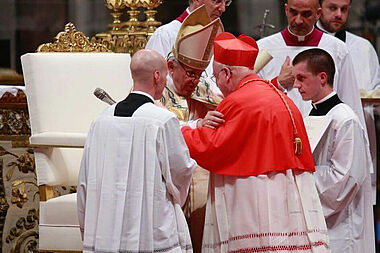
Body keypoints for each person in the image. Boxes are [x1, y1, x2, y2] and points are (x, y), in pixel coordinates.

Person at [181, 32, 330, 252]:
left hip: (252, 201)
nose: (218, 84)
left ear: (227, 73)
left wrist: (185, 129)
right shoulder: (281, 97)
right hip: (287, 207)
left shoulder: (237, 101)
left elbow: (212, 148)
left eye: (216, 78)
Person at [77, 49, 197, 253]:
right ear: (157, 76)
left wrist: (88, 228)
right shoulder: (162, 120)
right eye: (166, 76)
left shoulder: (100, 121)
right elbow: (181, 172)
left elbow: (85, 181)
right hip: (150, 228)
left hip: (105, 227)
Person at [292, 48, 375, 253]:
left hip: (340, 226)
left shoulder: (345, 120)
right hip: (319, 223)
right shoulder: (312, 115)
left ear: (322, 77)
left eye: (301, 78)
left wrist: (298, 179)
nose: (295, 85)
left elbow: (344, 179)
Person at [159, 5, 224, 252]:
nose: (194, 81)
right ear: (171, 66)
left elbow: (224, 105)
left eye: (199, 74)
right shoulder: (156, 90)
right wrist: (197, 125)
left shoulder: (200, 86)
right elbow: (160, 125)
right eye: (189, 73)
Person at [256, 0, 365, 128]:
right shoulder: (263, 48)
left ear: (318, 13)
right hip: (278, 133)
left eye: (306, 14)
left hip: (325, 133)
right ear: (286, 10)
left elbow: (350, 100)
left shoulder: (337, 49)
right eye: (293, 12)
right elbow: (252, 100)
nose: (298, 20)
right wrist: (278, 83)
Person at [316, 0, 380, 204]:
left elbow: (374, 88)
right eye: (332, 8)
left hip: (359, 129)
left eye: (344, 10)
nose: (339, 15)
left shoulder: (363, 47)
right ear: (319, 9)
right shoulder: (310, 45)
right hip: (321, 136)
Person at [146, 0, 232, 96]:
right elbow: (153, 81)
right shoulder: (165, 34)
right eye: (217, 1)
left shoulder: (218, 36)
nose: (223, 9)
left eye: (227, 2)